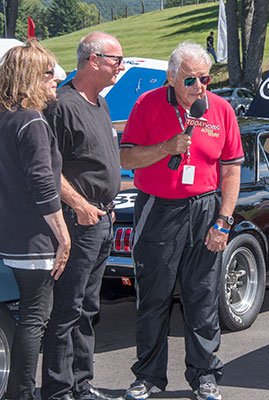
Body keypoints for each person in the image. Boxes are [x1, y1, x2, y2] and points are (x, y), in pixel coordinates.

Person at [119, 40, 243, 400]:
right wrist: (166, 148)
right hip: (158, 209)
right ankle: (148, 377)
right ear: (171, 77)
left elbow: (232, 170)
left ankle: (205, 375)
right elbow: (126, 158)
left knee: (202, 296)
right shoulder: (147, 105)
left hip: (205, 209)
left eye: (204, 79)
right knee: (154, 298)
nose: (199, 87)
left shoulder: (220, 110)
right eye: (190, 80)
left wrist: (223, 221)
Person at [40, 31, 125, 400]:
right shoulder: (61, 104)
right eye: (115, 60)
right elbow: (46, 168)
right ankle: (59, 391)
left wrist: (103, 209)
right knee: (67, 310)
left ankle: (81, 384)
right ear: (93, 60)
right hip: (78, 222)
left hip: (103, 220)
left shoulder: (101, 104)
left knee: (89, 308)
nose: (120, 67)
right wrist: (80, 205)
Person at [0, 39, 71, 400]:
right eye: (49, 73)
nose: (55, 79)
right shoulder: (31, 120)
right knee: (34, 320)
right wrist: (63, 235)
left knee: (23, 319)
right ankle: (23, 395)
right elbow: (43, 182)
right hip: (34, 239)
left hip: (10, 236)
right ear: (30, 77)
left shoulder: (5, 117)